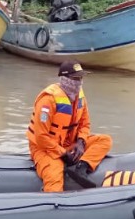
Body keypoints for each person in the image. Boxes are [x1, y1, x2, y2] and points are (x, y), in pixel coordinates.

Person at [27, 61, 113, 192]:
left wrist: (81, 141)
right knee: (54, 179)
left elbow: (85, 124)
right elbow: (41, 137)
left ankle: (82, 167)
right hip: (46, 149)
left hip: (70, 144)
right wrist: (63, 153)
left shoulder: (80, 98)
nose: (79, 82)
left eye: (81, 78)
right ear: (65, 79)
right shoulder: (48, 100)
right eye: (76, 78)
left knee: (105, 140)